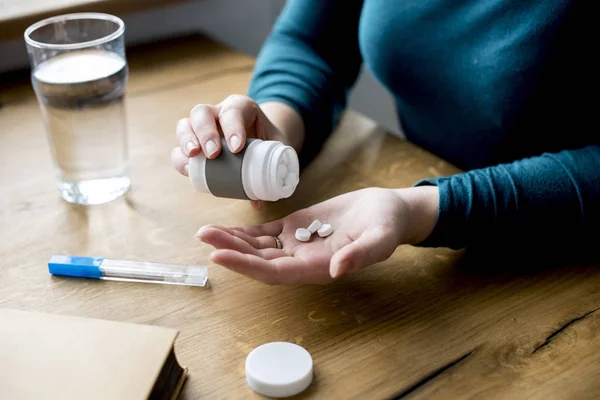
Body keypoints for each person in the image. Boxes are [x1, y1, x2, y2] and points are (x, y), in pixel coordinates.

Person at [171, 1, 599, 285]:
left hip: (569, 262)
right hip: (450, 237)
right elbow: (313, 40)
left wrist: (424, 209)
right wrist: (279, 126)